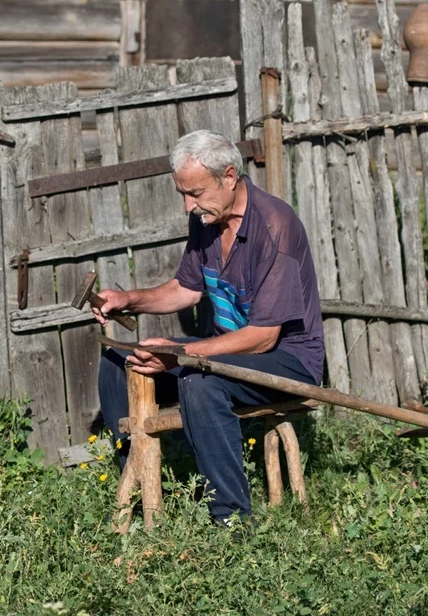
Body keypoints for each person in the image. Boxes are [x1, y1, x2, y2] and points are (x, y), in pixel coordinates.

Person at [94, 129, 324, 525]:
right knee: (119, 360)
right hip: (231, 351)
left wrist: (182, 354)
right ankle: (140, 486)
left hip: (287, 359)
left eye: (195, 193)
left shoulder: (275, 225)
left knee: (199, 381)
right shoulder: (207, 220)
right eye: (182, 194)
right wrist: (128, 299)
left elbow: (264, 336)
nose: (188, 205)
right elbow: (186, 288)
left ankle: (231, 521)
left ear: (229, 177)